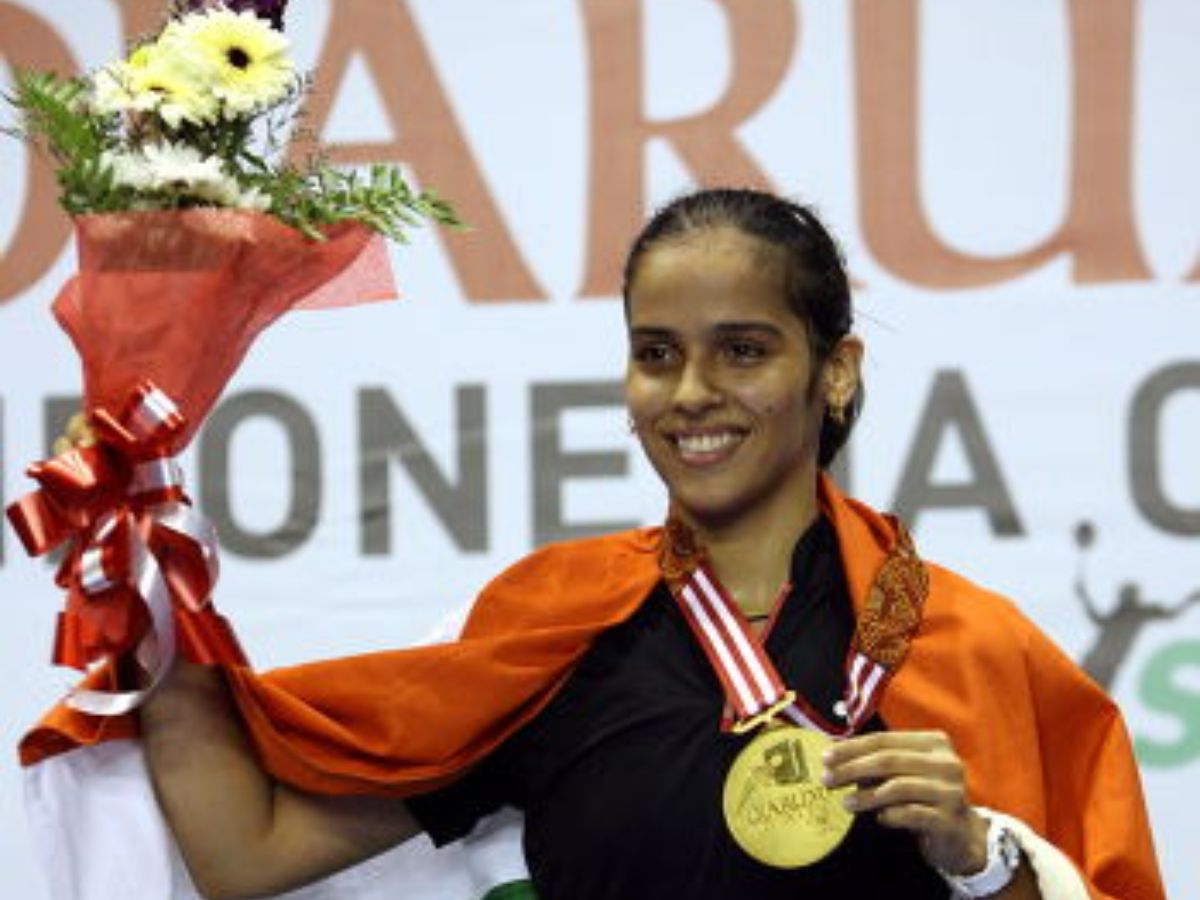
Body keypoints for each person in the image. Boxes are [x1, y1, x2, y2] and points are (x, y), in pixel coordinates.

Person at [35, 188, 1162, 900]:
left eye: (743, 350)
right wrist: (142, 552)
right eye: (656, 352)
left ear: (838, 370)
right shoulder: (559, 624)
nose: (692, 393)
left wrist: (982, 865)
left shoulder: (969, 648)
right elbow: (250, 853)